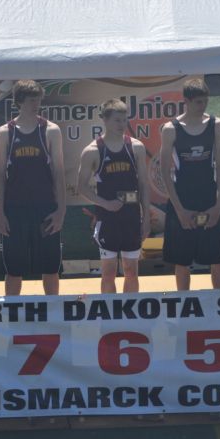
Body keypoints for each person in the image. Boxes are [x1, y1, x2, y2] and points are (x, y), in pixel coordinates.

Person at [0, 80, 66, 296]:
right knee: (13, 271)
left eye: (38, 100)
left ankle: (53, 313)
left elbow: (59, 174)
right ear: (19, 102)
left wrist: (61, 211)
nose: (36, 104)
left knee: (50, 269)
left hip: (45, 209)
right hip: (15, 209)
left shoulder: (51, 130)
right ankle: (12, 316)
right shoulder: (5, 132)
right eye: (31, 100)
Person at [76, 98, 150, 294]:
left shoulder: (136, 147)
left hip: (132, 218)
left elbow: (143, 184)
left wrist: (147, 218)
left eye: (125, 120)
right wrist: (105, 204)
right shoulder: (92, 151)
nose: (122, 125)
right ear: (105, 120)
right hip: (108, 220)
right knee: (108, 272)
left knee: (131, 271)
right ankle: (110, 315)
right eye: (117, 120)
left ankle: (130, 311)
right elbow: (81, 187)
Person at [160, 78, 220, 290]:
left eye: (205, 101)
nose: (203, 105)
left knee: (217, 258)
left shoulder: (216, 124)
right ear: (186, 101)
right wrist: (179, 210)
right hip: (183, 197)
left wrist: (219, 204)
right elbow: (164, 171)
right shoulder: (171, 129)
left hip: (208, 196)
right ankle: (183, 302)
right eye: (198, 102)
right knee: (182, 260)